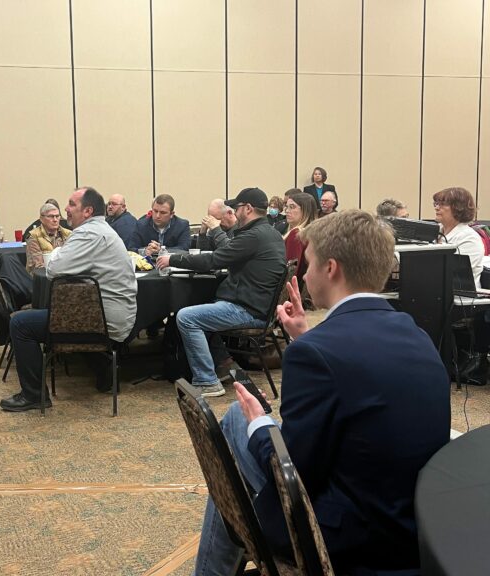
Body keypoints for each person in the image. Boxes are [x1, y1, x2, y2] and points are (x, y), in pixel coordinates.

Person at [191, 210, 450, 575]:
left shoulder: (316, 354)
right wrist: (303, 336)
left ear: (330, 269)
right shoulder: (415, 334)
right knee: (240, 427)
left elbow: (292, 473)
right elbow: (358, 380)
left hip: (348, 539)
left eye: (308, 264)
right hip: (412, 525)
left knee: (237, 422)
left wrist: (261, 426)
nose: (302, 274)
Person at [0, 187, 137, 412]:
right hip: (109, 316)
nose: (65, 209)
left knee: (20, 324)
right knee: (62, 311)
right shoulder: (101, 230)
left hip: (103, 321)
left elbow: (53, 268)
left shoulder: (88, 234)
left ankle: (34, 396)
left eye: (72, 204)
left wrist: (55, 255)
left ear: (88, 211)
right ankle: (105, 371)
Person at [155, 188, 285, 397]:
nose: (233, 212)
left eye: (236, 207)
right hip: (258, 305)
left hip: (249, 310)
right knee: (204, 306)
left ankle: (207, 381)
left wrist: (173, 259)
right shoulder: (270, 233)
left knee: (187, 317)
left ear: (248, 209)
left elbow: (214, 260)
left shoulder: (253, 236)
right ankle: (224, 364)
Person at [433, 187, 488, 385]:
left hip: (461, 299)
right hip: (438, 292)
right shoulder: (437, 233)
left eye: (443, 204)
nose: (437, 208)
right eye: (436, 203)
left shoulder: (469, 237)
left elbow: (459, 274)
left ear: (457, 208)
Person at [25, 202, 72, 273]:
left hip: (65, 275)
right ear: (41, 219)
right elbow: (38, 266)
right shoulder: (34, 237)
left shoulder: (68, 234)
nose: (55, 220)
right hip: (42, 278)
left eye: (57, 216)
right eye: (51, 216)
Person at [282, 192, 317, 285]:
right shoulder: (314, 233)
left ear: (305, 210)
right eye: (287, 206)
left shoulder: (296, 234)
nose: (287, 211)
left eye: (292, 207)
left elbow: (291, 273)